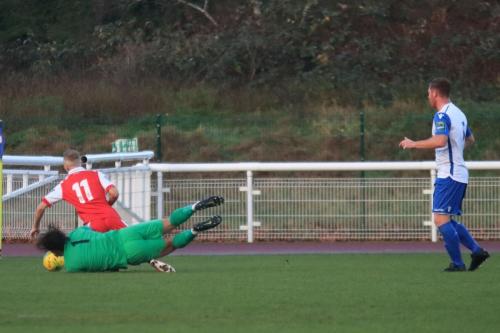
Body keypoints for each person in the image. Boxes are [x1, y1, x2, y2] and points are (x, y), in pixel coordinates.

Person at [399, 77, 489, 272]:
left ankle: (457, 264)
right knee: (446, 219)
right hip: (459, 172)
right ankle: (477, 251)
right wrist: (456, 150)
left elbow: (440, 141)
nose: (428, 98)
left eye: (428, 94)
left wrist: (414, 143)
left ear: (434, 93)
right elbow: (470, 138)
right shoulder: (460, 113)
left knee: (440, 220)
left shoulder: (442, 115)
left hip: (449, 174)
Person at [35, 197, 224, 272]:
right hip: (124, 234)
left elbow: (105, 269)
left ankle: (194, 230)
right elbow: (93, 226)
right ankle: (194, 206)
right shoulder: (78, 232)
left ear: (55, 251)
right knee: (169, 222)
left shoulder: (73, 266)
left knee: (172, 243)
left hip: (128, 253)